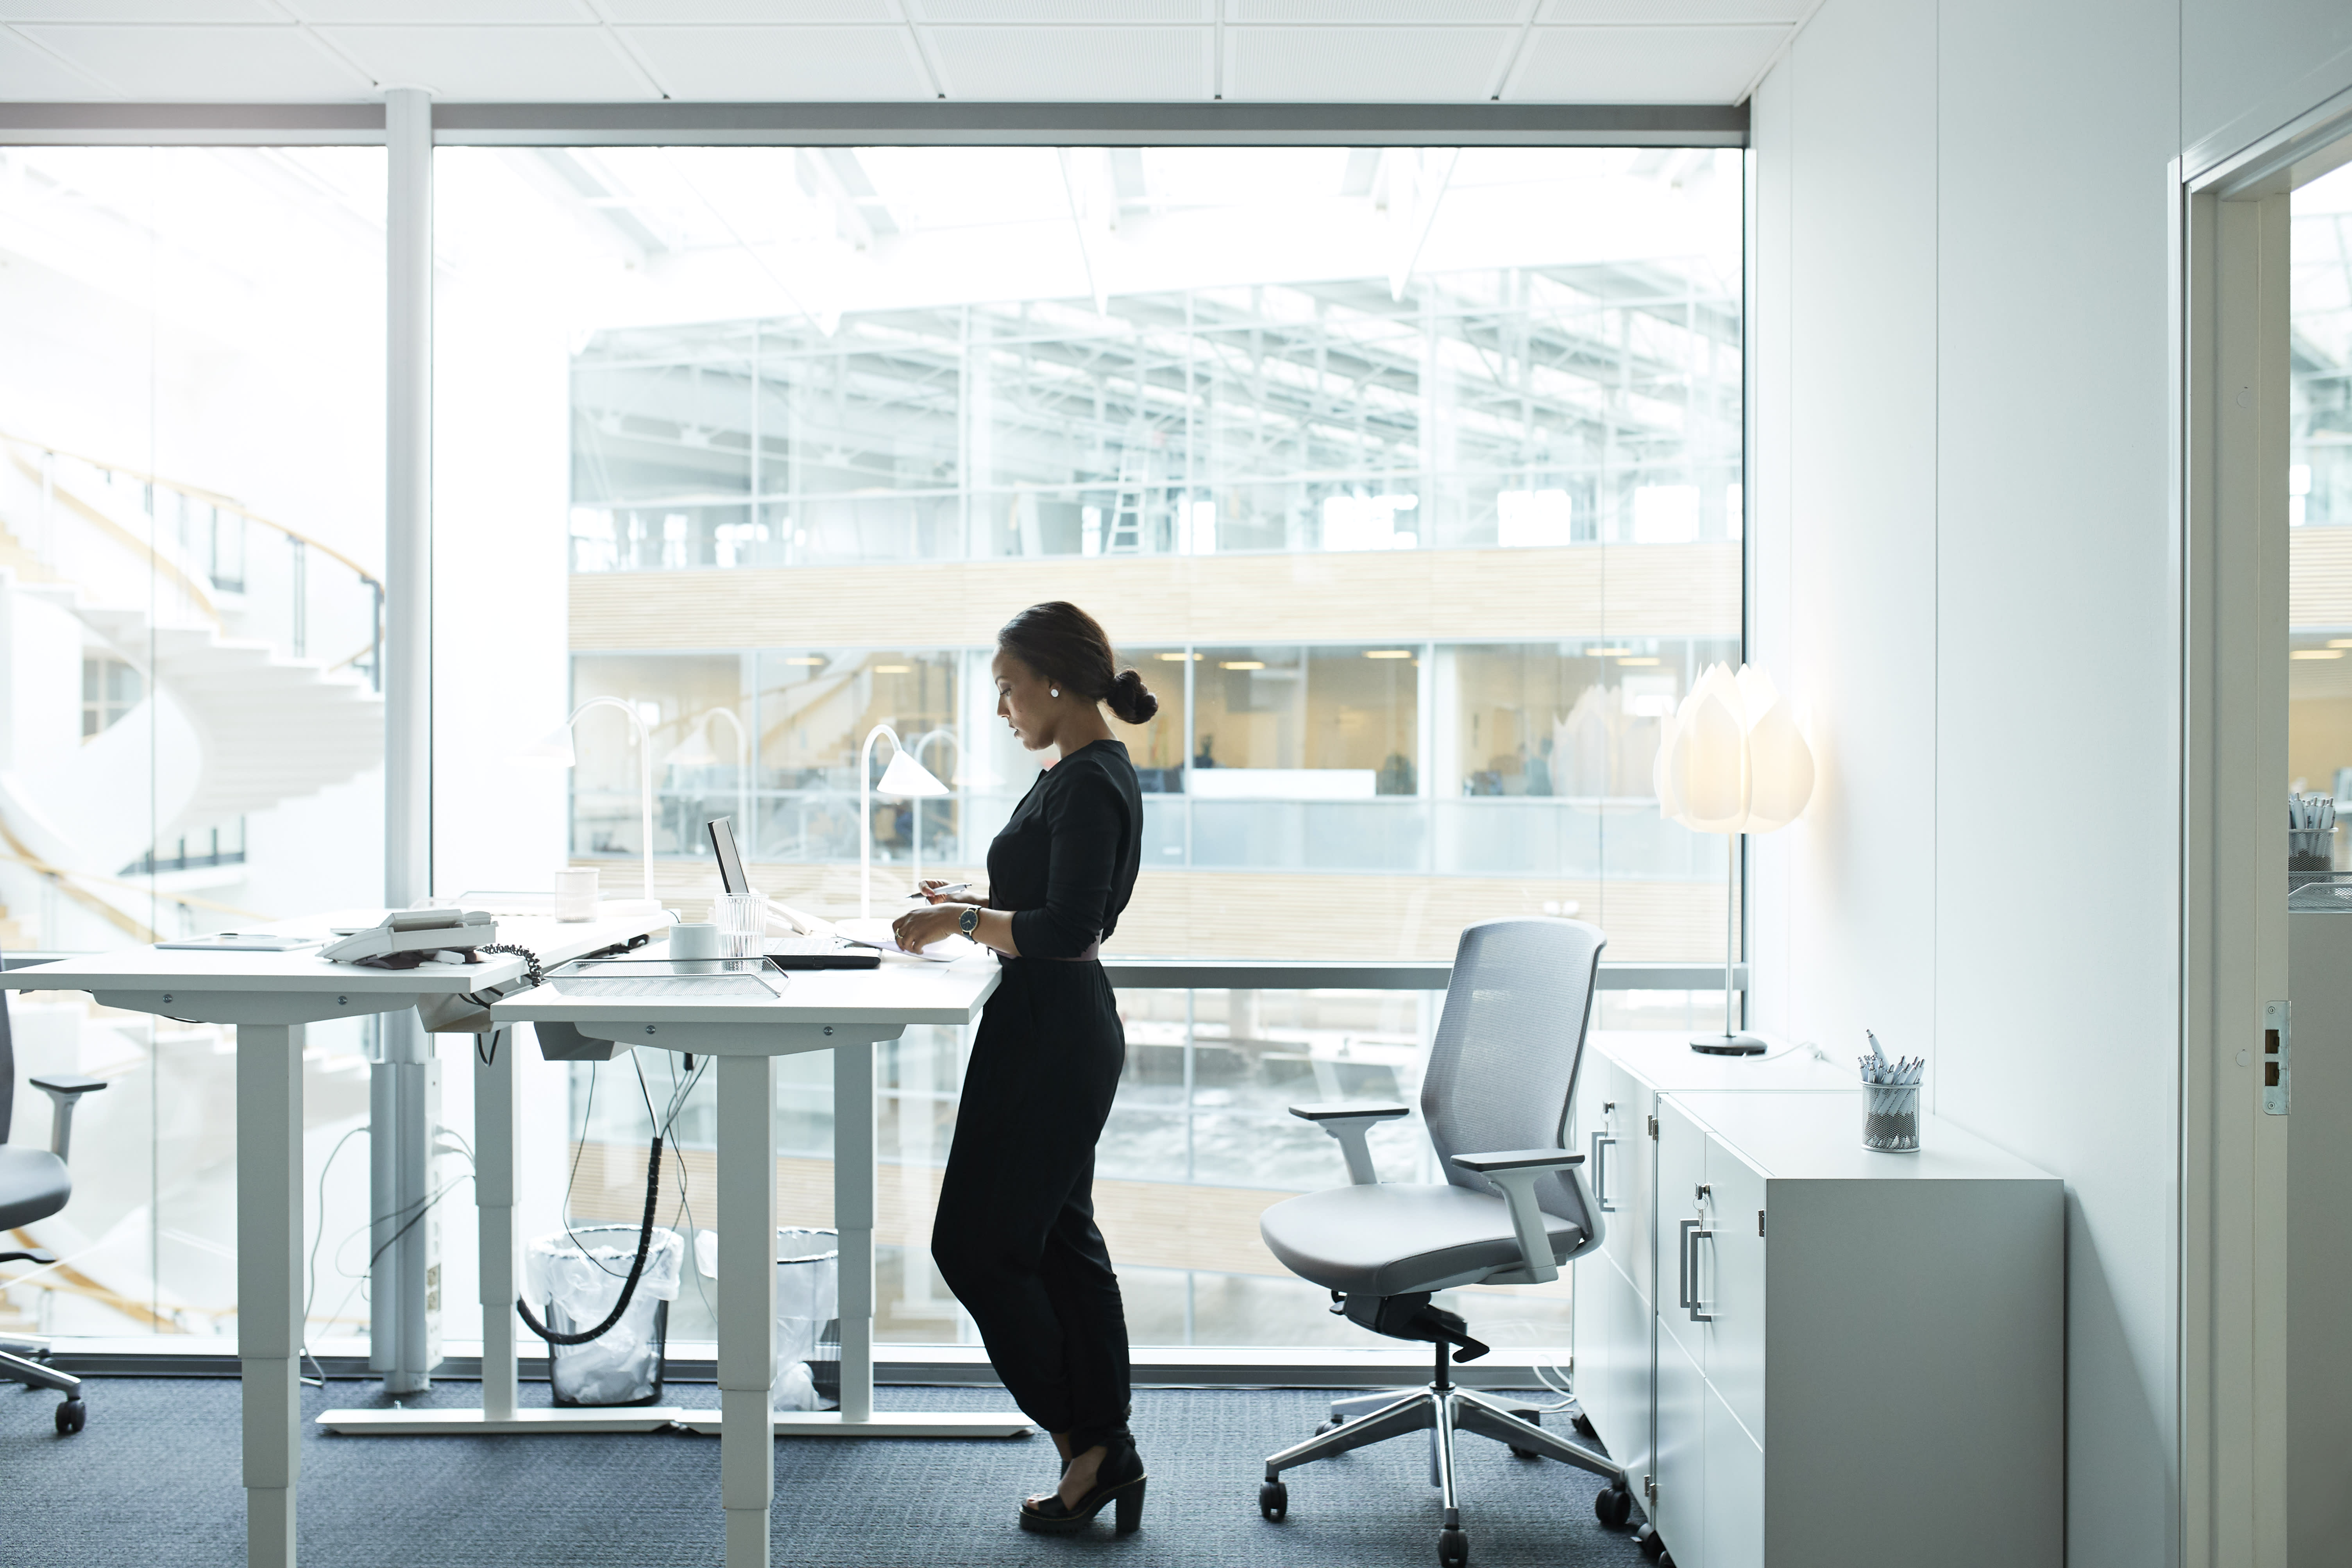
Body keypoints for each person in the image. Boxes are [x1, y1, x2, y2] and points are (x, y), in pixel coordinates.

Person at [891, 600, 1154, 1536]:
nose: (1001, 707)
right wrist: (973, 896)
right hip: (1046, 1027)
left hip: (1053, 1035)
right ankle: (1102, 1447)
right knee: (1060, 1243)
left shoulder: (1089, 781)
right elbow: (1045, 897)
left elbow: (1069, 928)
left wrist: (962, 922)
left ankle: (1090, 1442)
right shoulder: (1076, 773)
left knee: (974, 1249)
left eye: (1006, 687)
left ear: (1050, 677)